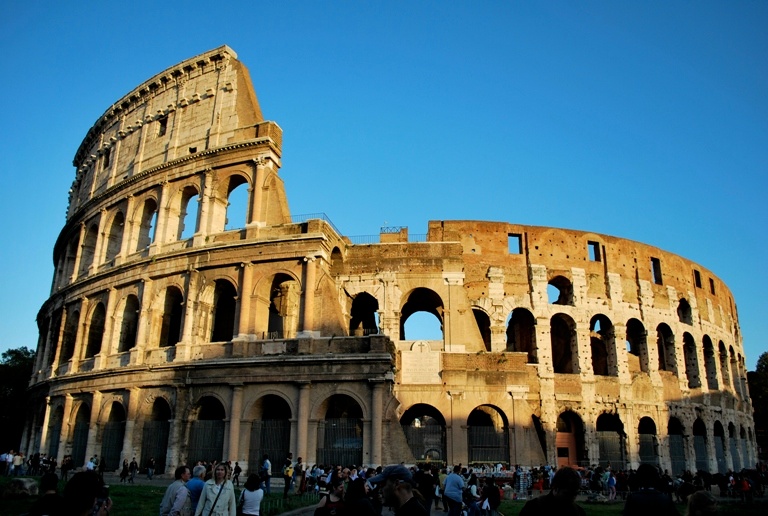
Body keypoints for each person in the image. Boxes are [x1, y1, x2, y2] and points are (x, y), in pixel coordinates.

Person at [519, 466, 586, 516]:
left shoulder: (579, 512)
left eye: (575, 494)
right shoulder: (533, 508)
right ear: (556, 488)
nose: (572, 498)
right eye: (567, 494)